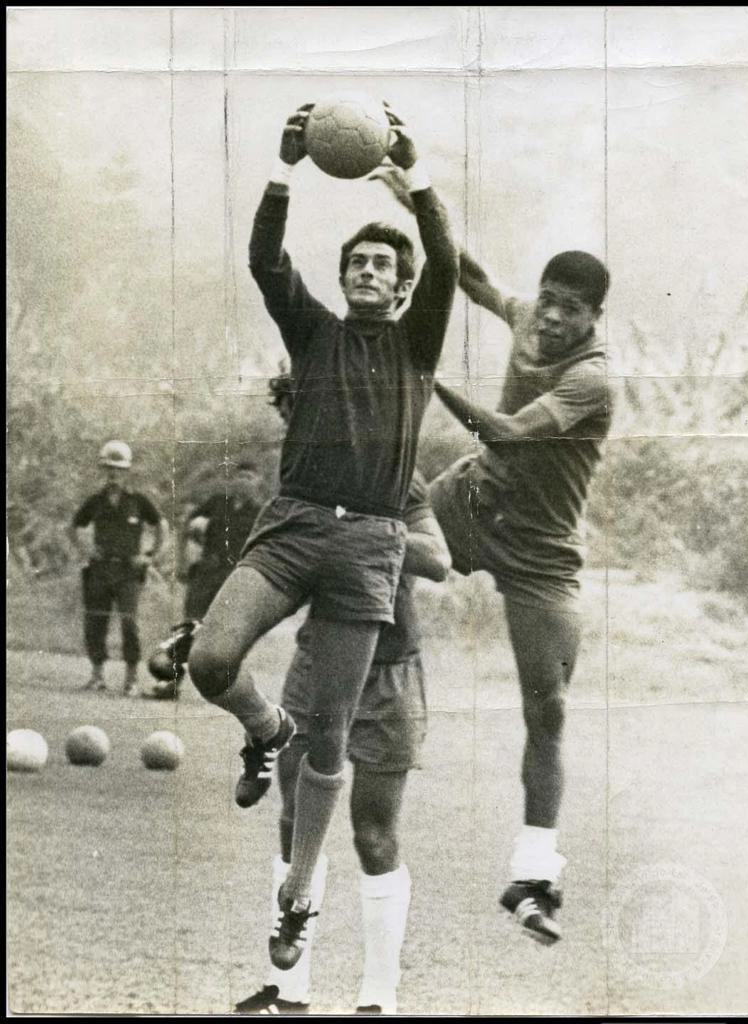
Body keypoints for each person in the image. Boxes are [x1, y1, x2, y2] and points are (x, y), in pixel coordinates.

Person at [156, 103, 457, 971]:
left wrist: (418, 170)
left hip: (368, 546)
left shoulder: (417, 343)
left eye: (380, 265)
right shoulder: (315, 332)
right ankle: (263, 729)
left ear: (400, 288)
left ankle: (297, 899)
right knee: (210, 662)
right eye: (357, 262)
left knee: (335, 738)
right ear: (346, 278)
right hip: (291, 527)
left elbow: (440, 251)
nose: (367, 271)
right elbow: (263, 259)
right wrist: (284, 169)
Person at [373, 167, 613, 944]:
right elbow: (472, 275)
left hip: (542, 555)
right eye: (546, 298)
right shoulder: (531, 318)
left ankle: (534, 875)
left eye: (568, 310)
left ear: (592, 320)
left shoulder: (593, 380)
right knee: (375, 536)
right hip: (471, 502)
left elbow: (506, 431)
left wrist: (425, 377)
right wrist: (412, 192)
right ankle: (339, 706)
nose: (548, 315)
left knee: (547, 710)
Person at [234, 382, 450, 1015]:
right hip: (316, 670)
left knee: (374, 833)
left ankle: (377, 998)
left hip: (388, 675)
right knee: (295, 822)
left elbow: (438, 558)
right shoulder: (295, 488)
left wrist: (362, 528)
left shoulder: (393, 475)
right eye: (290, 421)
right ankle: (289, 994)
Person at [148, 458, 268, 700]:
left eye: (250, 477)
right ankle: (172, 681)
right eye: (240, 476)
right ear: (233, 480)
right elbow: (185, 527)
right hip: (206, 574)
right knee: (190, 627)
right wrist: (181, 561)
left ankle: (227, 688)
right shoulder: (217, 502)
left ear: (259, 482)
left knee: (229, 632)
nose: (244, 481)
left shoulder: (261, 512)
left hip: (237, 577)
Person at [69, 440, 168, 695]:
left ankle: (131, 680)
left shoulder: (137, 500)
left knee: (129, 623)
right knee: (96, 622)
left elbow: (161, 526)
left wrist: (150, 555)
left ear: (127, 471)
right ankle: (97, 676)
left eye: (118, 469)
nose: (113, 474)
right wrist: (86, 550)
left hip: (128, 572)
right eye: (108, 468)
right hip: (100, 569)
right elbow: (75, 527)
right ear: (103, 470)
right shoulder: (96, 501)